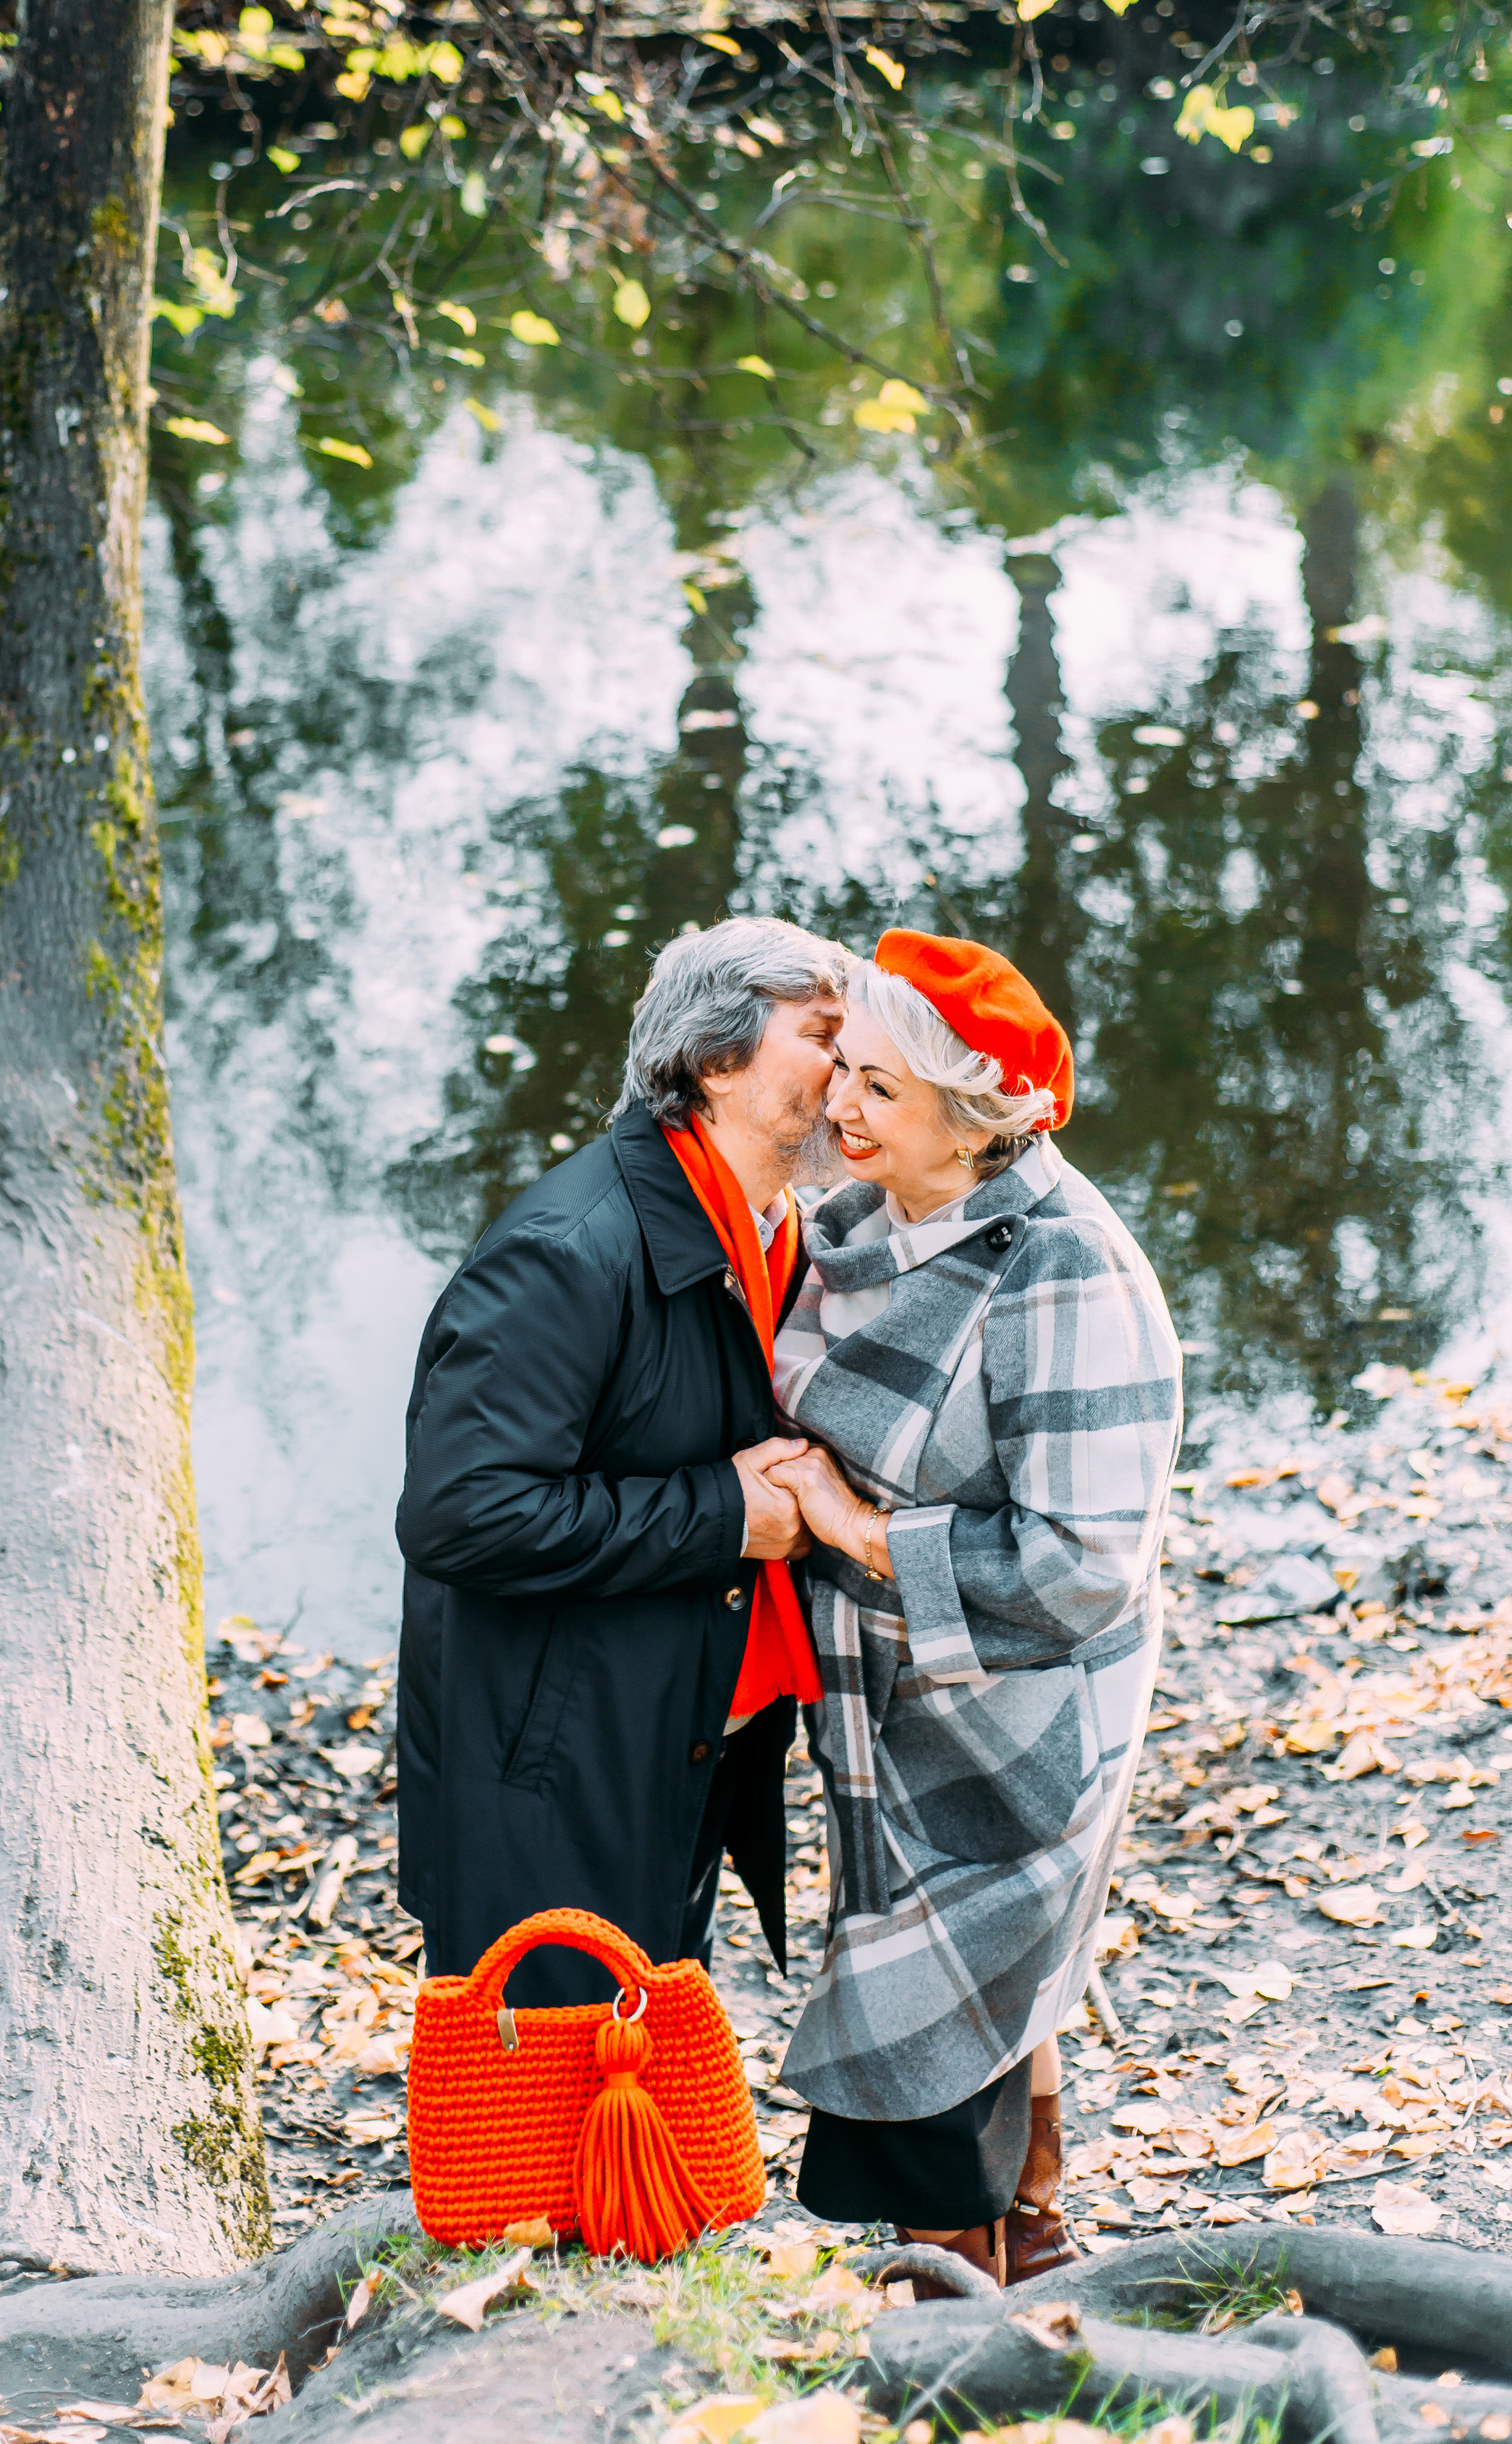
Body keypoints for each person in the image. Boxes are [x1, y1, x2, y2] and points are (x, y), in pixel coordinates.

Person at [771, 929, 1181, 2285]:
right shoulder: (867, 1229)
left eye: (882, 1090)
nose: (840, 1107)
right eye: (847, 1071)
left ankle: (948, 2315)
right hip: (887, 1712)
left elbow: (1079, 1563)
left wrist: (855, 1529)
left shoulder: (1064, 1272)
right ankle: (1034, 2248)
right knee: (981, 1991)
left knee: (947, 2011)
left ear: (971, 1117)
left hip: (1018, 1716)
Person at [394, 917, 846, 2005]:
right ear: (719, 1061)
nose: (855, 1068)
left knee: (634, 2062)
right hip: (547, 1767)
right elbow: (462, 1512)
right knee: (540, 2101)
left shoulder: (779, 1227)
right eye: (825, 1035)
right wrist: (728, 1514)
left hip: (675, 1725)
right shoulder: (567, 1250)